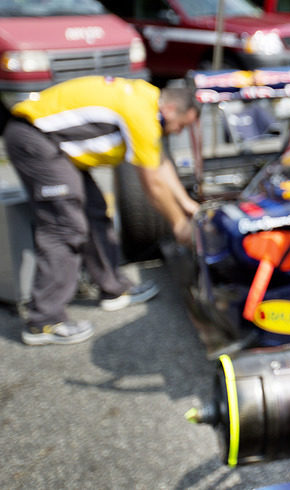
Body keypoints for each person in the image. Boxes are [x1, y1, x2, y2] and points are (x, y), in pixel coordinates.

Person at [4, 76, 200, 345]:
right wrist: (178, 224)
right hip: (35, 139)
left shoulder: (146, 97)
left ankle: (114, 289)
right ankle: (43, 321)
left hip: (55, 145)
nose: (177, 132)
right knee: (65, 226)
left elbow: (160, 160)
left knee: (94, 211)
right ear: (169, 111)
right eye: (180, 126)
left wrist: (188, 205)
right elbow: (152, 182)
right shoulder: (141, 113)